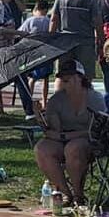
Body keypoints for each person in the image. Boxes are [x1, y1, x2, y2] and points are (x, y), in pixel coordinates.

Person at [34, 61, 98, 206]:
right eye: (63, 78)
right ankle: (64, 193)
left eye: (70, 77)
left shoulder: (94, 98)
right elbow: (53, 131)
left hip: (87, 140)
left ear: (80, 77)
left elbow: (95, 130)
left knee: (73, 148)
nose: (65, 81)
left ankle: (78, 195)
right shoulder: (57, 100)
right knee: (42, 149)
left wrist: (67, 136)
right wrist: (41, 117)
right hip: (63, 137)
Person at [51, 0, 103, 94]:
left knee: (62, 75)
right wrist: (101, 40)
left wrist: (51, 38)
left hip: (64, 42)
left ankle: (59, 99)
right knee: (86, 76)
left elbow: (54, 19)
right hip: (85, 42)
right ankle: (84, 102)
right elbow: (98, 22)